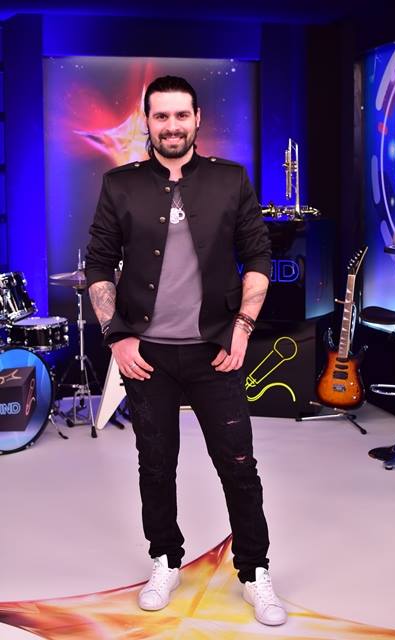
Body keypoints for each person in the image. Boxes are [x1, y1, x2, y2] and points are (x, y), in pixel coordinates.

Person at [85, 75, 286, 626]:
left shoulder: (230, 179)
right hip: (147, 355)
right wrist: (117, 335)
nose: (171, 126)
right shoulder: (120, 185)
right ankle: (165, 558)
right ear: (147, 122)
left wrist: (243, 326)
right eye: (161, 116)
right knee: (155, 465)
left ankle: (254, 570)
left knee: (238, 465)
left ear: (197, 119)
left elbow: (258, 256)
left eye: (181, 115)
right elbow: (98, 263)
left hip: (214, 350)